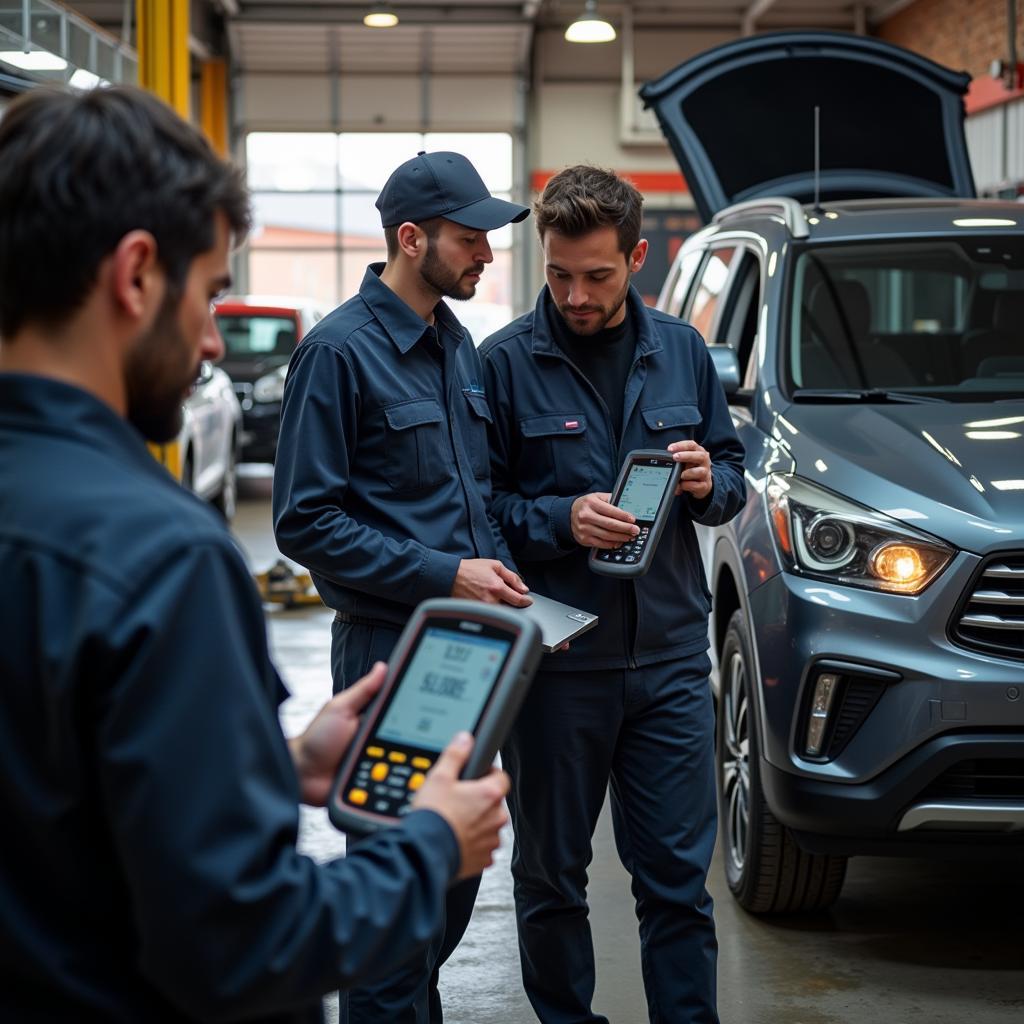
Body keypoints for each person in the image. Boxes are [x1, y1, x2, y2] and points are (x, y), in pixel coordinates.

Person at [0, 85, 510, 1024]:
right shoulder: (158, 559)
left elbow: (61, 811)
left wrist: (266, 766)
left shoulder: (460, 349)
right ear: (136, 274)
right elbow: (244, 942)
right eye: (209, 296)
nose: (207, 345)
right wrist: (432, 844)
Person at [479, 165, 747, 1024]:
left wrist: (710, 482)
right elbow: (481, 513)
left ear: (636, 257)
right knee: (551, 878)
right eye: (558, 273)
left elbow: (735, 475)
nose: (575, 294)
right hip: (561, 669)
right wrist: (561, 519)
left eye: (596, 275)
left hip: (669, 662)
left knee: (676, 885)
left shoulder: (684, 354)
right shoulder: (504, 366)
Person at [272, 150, 532, 1023]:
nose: (487, 257)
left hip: (471, 649)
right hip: (392, 656)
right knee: (392, 920)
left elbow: (471, 497)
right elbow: (306, 523)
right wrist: (443, 571)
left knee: (446, 892)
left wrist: (498, 572)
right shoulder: (338, 354)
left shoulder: (454, 345)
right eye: (470, 240)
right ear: (411, 238)